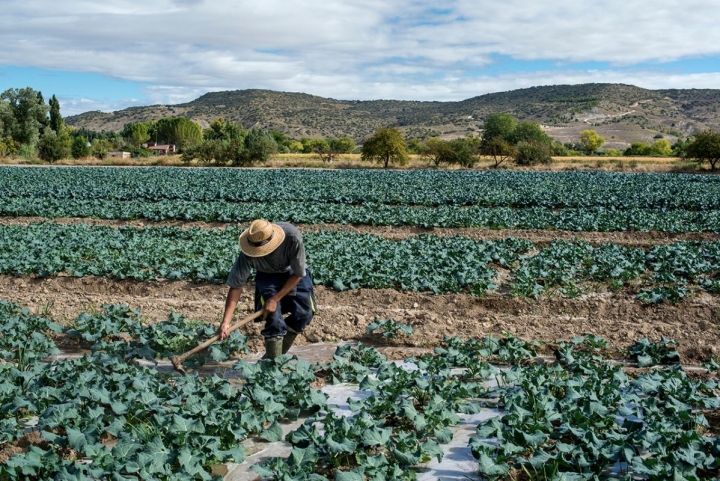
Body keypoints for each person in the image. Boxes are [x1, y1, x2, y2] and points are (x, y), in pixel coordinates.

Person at [218, 219, 316, 359]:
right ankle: (271, 366)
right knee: (274, 320)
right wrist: (225, 323)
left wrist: (275, 299)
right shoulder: (247, 252)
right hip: (267, 276)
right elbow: (236, 286)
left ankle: (271, 358)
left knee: (305, 313)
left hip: (293, 272)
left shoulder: (292, 237)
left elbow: (299, 273)